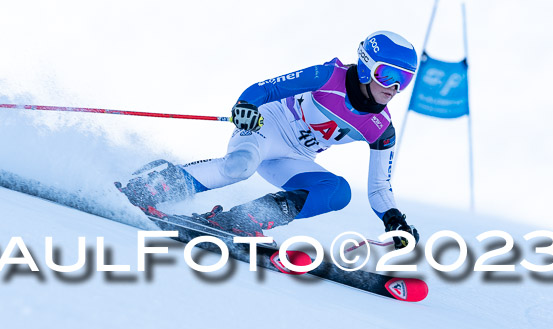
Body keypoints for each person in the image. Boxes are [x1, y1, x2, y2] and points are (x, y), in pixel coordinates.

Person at [117, 30, 420, 249]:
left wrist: (394, 219)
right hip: (265, 127)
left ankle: (244, 220)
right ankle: (146, 189)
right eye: (388, 75)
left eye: (404, 80)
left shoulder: (381, 127)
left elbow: (380, 187)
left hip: (294, 159)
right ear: (367, 66)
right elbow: (265, 89)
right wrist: (246, 107)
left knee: (338, 192)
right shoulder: (328, 76)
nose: (393, 88)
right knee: (240, 166)